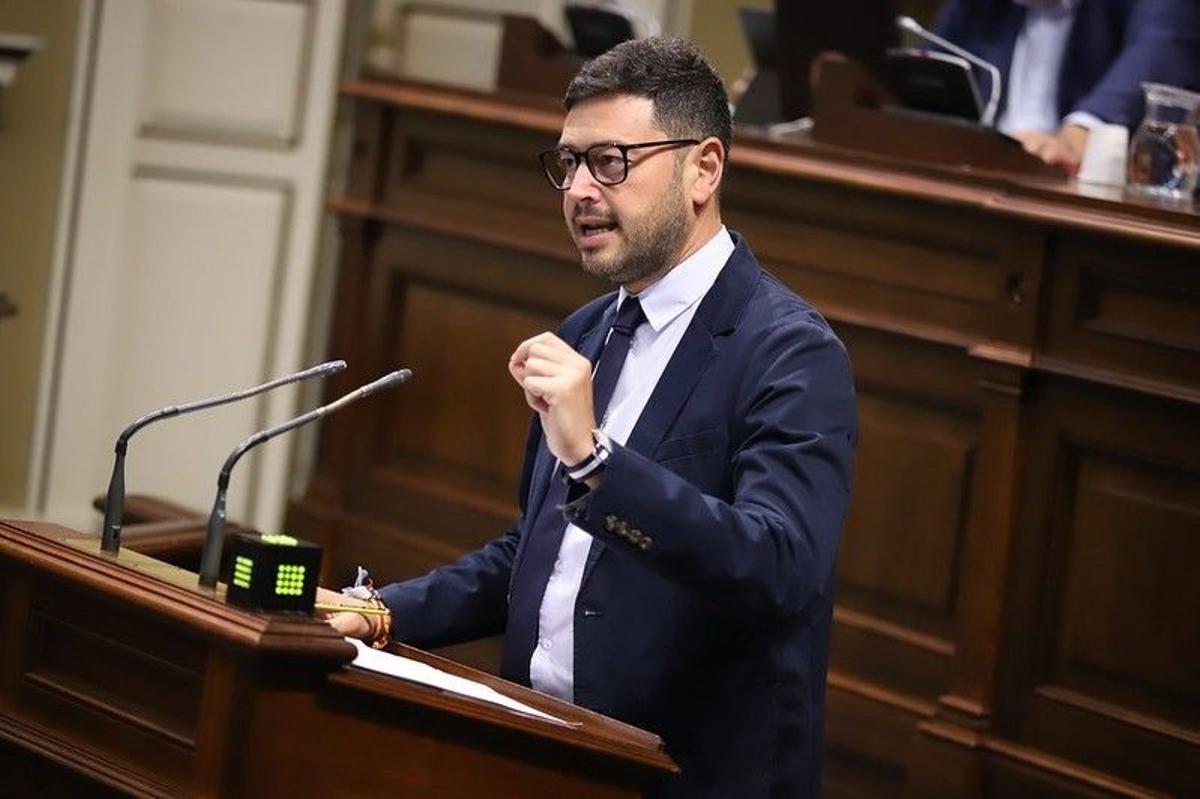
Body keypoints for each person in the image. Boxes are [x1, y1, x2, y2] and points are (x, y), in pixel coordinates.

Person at [321, 36, 857, 798]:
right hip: (539, 754)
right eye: (567, 163)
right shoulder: (586, 332)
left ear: (703, 168)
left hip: (685, 777)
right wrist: (377, 611)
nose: (578, 189)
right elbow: (539, 550)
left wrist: (599, 464)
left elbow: (778, 569)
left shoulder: (792, 352)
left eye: (611, 162)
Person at [933, 0, 1200, 170]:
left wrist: (1082, 133)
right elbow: (933, 73)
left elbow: (1161, 48)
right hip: (981, 179)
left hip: (1084, 208)